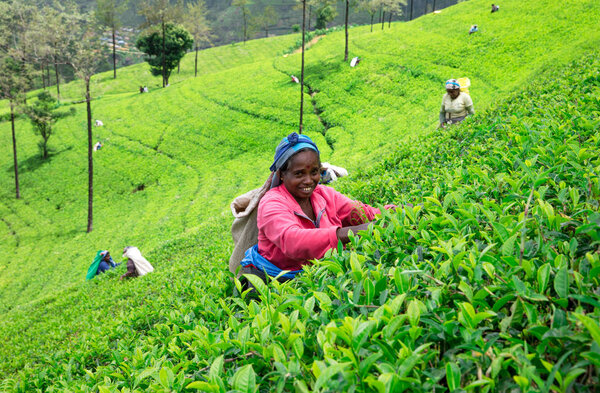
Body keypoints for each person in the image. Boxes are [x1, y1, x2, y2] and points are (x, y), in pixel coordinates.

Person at [239, 132, 394, 282]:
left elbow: (362, 213)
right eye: (299, 174)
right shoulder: (272, 203)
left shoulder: (325, 194)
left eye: (314, 172)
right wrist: (356, 232)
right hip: (277, 282)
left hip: (318, 275)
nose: (308, 181)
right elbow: (293, 241)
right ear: (281, 175)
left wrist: (396, 212)